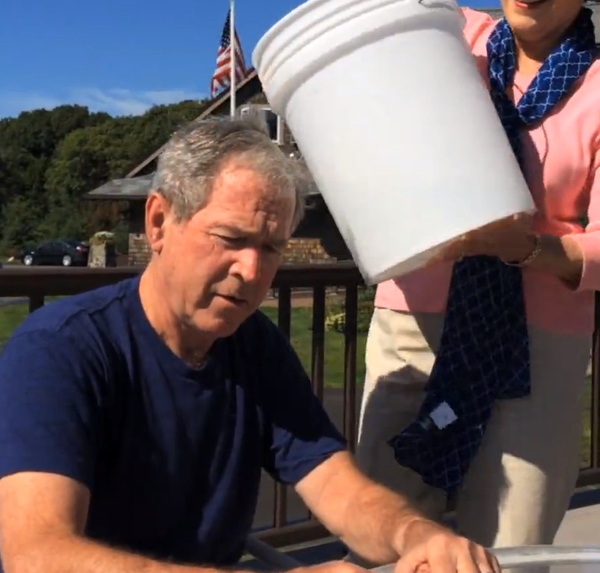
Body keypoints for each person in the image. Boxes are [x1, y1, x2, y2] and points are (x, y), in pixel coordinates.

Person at [0, 117, 496, 573]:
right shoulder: (61, 350)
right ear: (158, 224)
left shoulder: (253, 345)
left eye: (271, 247)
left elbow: (336, 486)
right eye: (230, 238)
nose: (253, 272)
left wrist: (416, 534)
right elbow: (37, 555)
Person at [356, 0, 600, 554]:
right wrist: (399, 0)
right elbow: (363, 104)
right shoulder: (444, 29)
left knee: (510, 553)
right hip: (414, 322)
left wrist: (524, 247)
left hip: (536, 353)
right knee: (387, 538)